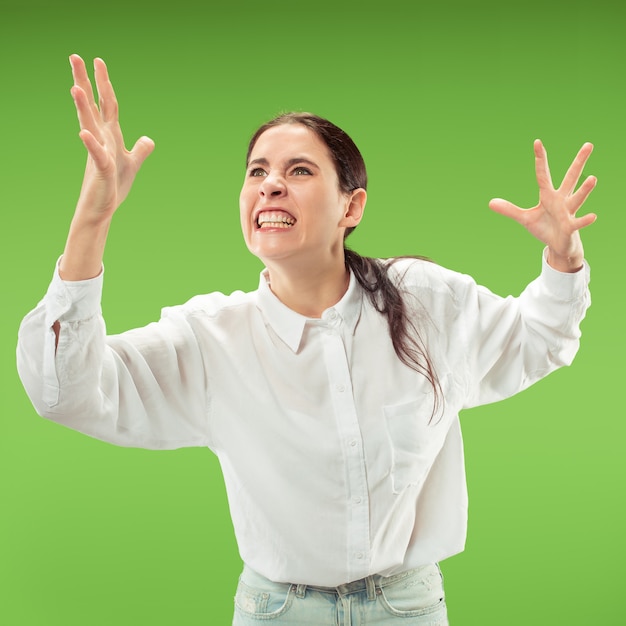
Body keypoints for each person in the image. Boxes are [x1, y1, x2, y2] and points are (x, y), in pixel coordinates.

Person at [17, 55, 597, 625]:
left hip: (408, 608)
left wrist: (562, 256)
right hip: (277, 612)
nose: (270, 185)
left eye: (298, 171)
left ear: (352, 205)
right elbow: (65, 391)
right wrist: (91, 221)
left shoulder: (424, 299)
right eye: (256, 172)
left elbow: (540, 338)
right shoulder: (211, 338)